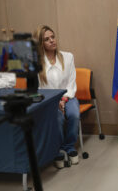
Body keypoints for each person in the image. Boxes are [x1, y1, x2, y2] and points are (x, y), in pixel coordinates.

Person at [33, 25, 80, 168]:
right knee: (57, 118)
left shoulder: (68, 56)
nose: (52, 41)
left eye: (53, 37)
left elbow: (71, 82)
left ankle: (69, 147)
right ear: (41, 44)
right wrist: (54, 101)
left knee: (74, 115)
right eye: (47, 39)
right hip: (48, 100)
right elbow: (39, 89)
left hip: (68, 96)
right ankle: (57, 149)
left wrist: (64, 99)